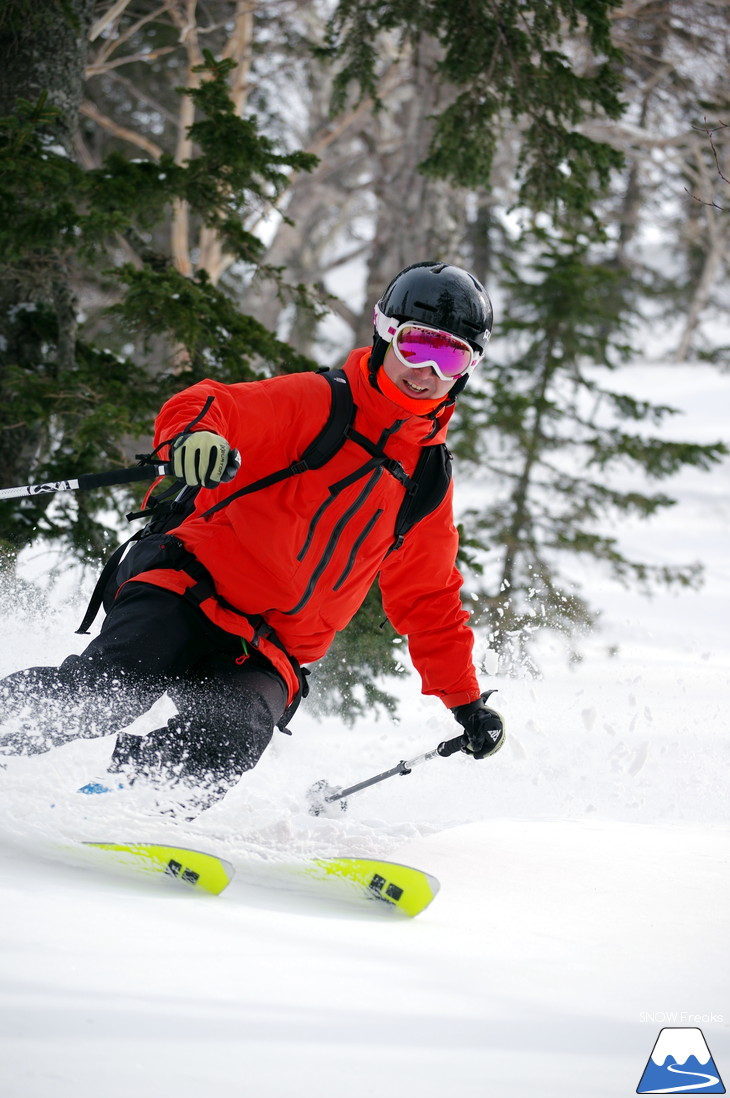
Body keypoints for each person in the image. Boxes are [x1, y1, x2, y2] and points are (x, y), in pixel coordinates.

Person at [0, 261, 505, 815]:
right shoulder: (319, 403)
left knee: (230, 737)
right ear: (387, 333)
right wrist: (194, 438)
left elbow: (428, 599)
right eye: (417, 346)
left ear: (468, 368)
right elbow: (213, 404)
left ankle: (131, 805)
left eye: (452, 355)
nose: (428, 369)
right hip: (187, 588)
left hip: (270, 648)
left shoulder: (427, 480)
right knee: (105, 694)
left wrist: (465, 701)